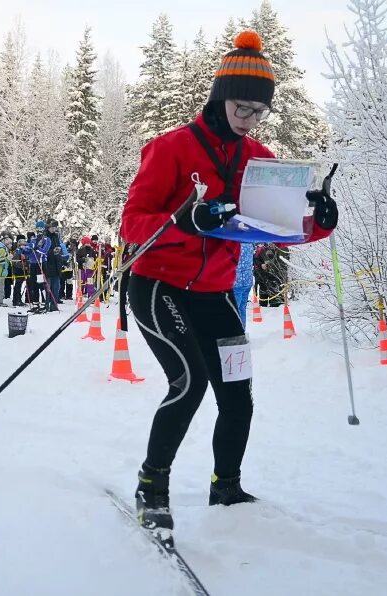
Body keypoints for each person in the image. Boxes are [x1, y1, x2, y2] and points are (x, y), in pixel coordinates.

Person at [119, 31, 338, 531]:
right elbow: (132, 222)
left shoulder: (257, 158)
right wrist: (182, 219)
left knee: (237, 392)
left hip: (214, 292)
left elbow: (275, 228)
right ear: (221, 97)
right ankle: (152, 485)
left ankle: (226, 485)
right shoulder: (171, 148)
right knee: (189, 381)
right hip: (158, 285)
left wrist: (319, 222)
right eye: (243, 108)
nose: (249, 120)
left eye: (259, 112)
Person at [233, 243, 255, 327]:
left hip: (237, 281)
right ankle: (242, 329)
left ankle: (236, 331)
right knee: (242, 307)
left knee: (234, 309)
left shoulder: (234, 245)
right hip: (247, 280)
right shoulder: (250, 244)